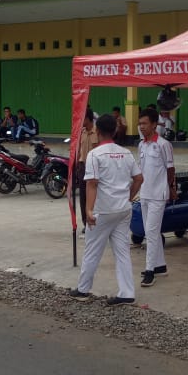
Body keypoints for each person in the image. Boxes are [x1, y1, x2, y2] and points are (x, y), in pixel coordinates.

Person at [68, 114, 143, 307]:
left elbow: (92, 184)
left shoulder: (95, 154)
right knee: (122, 252)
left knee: (92, 251)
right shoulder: (126, 153)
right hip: (123, 210)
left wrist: (89, 210)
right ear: (116, 131)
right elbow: (139, 179)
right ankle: (127, 293)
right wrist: (129, 196)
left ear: (98, 131)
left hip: (103, 210)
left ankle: (83, 290)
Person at [137, 108, 176, 287]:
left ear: (154, 124)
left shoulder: (163, 144)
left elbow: (170, 169)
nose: (141, 126)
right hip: (144, 193)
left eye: (144, 123)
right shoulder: (141, 145)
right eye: (140, 123)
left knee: (151, 233)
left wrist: (170, 188)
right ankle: (160, 266)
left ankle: (150, 270)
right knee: (150, 231)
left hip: (158, 195)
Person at [75, 109, 99, 233]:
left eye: (83, 119)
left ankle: (95, 220)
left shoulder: (98, 132)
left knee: (94, 197)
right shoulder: (82, 133)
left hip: (95, 169)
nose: (81, 121)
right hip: (83, 167)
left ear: (89, 119)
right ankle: (86, 223)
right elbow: (79, 151)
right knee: (83, 197)